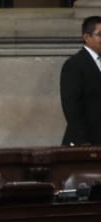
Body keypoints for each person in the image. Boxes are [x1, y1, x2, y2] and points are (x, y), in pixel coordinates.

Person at [60, 17, 101, 147]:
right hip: (85, 142)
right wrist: (83, 141)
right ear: (86, 37)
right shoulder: (74, 65)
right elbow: (71, 107)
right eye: (100, 35)